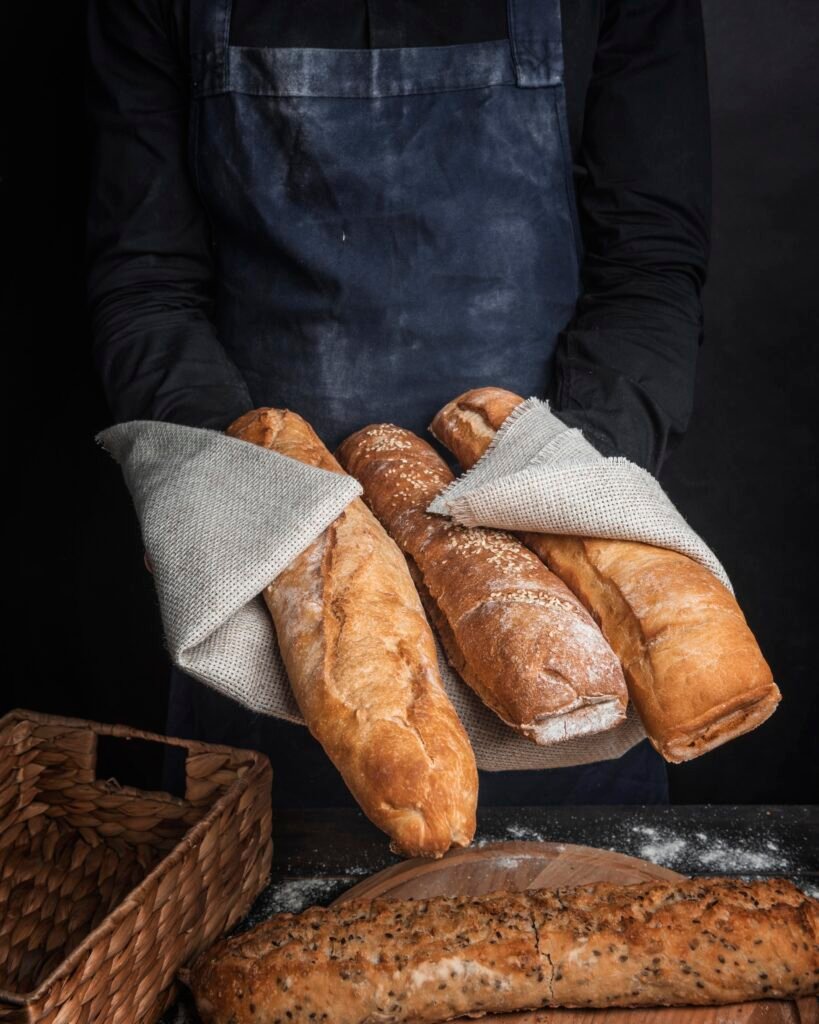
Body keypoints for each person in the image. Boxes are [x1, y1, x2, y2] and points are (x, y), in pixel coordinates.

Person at [86, 0, 710, 806]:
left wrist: (555, 498)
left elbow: (649, 264)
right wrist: (231, 505)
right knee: (252, 909)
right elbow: (146, 280)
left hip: (557, 592)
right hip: (275, 589)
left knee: (582, 907)